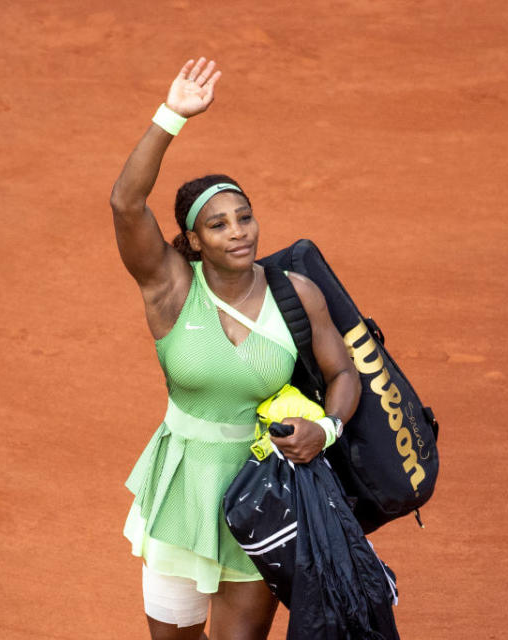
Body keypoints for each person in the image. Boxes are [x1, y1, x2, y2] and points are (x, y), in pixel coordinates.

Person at [110, 57, 361, 640]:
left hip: (264, 494)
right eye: (219, 225)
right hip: (180, 495)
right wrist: (171, 114)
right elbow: (126, 203)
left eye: (245, 217)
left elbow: (342, 371)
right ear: (194, 240)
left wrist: (327, 428)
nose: (239, 231)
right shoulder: (170, 290)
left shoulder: (296, 293)